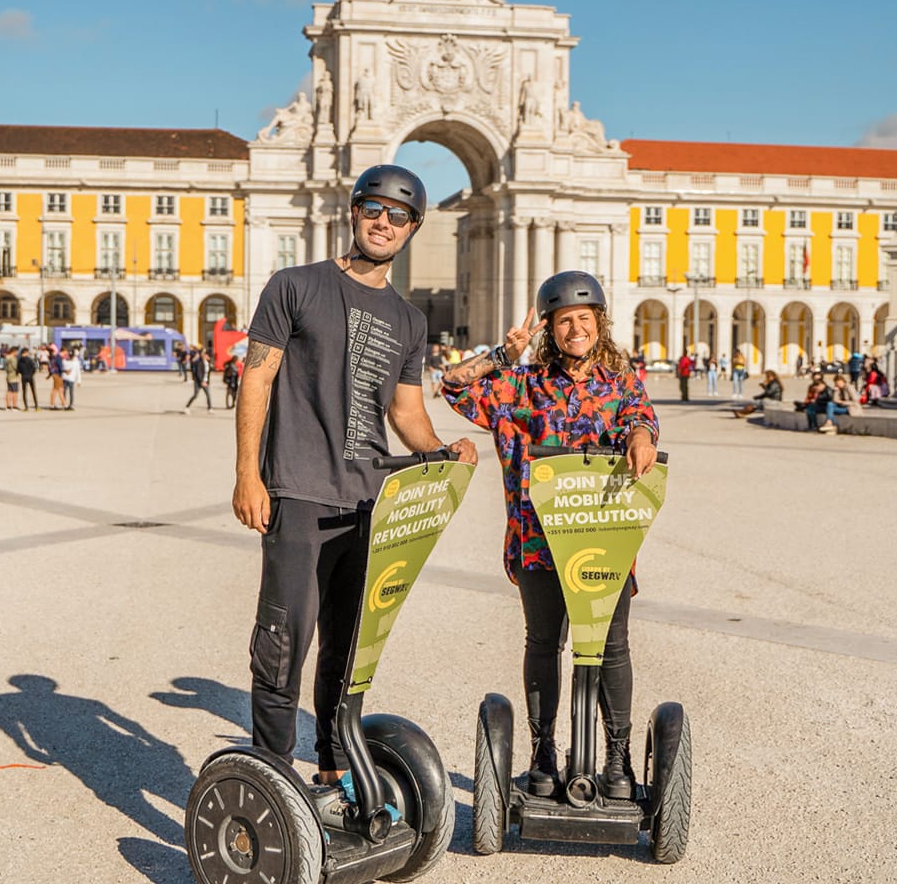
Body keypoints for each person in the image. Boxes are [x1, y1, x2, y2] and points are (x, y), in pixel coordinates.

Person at [232, 163, 478, 798]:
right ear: (354, 212)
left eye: (398, 216)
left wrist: (439, 450)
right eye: (374, 209)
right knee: (283, 638)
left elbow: (405, 412)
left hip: (373, 501)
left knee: (349, 644)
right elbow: (256, 379)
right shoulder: (295, 286)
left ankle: (333, 764)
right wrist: (247, 475)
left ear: (413, 228)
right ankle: (271, 772)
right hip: (299, 489)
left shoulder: (410, 320)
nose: (384, 223)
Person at [442, 270, 658, 801]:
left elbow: (642, 417)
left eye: (584, 319)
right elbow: (451, 386)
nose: (575, 329)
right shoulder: (522, 386)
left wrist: (639, 434)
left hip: (605, 539)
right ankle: (542, 754)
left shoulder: (620, 382)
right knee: (544, 644)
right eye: (564, 321)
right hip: (537, 542)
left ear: (599, 324)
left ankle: (617, 758)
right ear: (550, 328)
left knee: (611, 647)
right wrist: (502, 354)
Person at [185, 346, 212, 413]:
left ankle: (210, 408)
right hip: (198, 381)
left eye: (206, 354)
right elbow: (198, 373)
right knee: (195, 395)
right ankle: (187, 407)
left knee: (208, 395)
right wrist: (202, 381)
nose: (205, 355)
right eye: (204, 354)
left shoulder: (208, 363)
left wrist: (207, 381)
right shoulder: (199, 363)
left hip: (205, 381)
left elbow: (208, 373)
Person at [62, 345, 82, 409]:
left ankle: (70, 404)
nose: (70, 357)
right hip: (66, 379)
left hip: (70, 379)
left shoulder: (75, 362)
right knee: (65, 392)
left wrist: (79, 381)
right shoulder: (65, 361)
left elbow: (78, 372)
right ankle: (65, 404)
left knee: (70, 392)